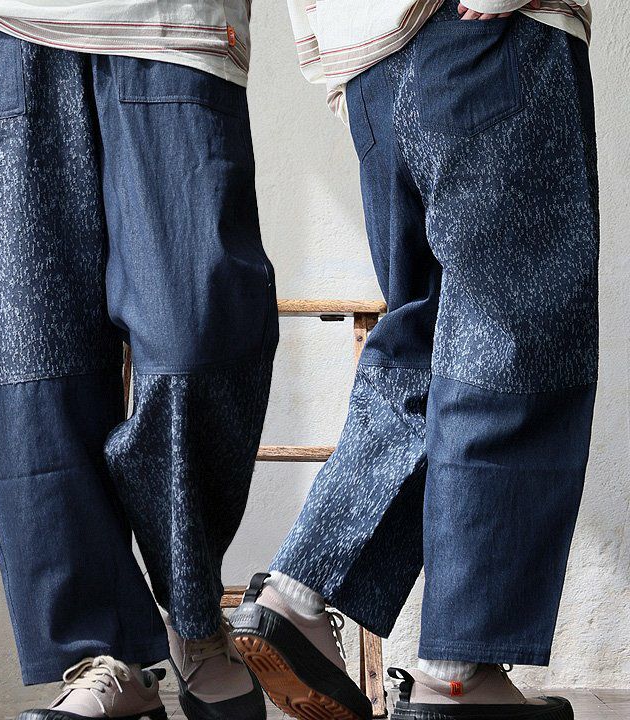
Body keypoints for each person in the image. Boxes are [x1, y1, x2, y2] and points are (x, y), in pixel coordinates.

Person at [230, 2, 598, 720]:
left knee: (426, 349)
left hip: (370, 61)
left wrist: (329, 53)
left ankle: (299, 592)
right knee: (512, 343)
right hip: (486, 38)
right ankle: (456, 673)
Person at [0, 0, 278, 718]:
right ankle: (103, 655)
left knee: (197, 333)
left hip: (172, 22)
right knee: (29, 362)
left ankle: (195, 615)